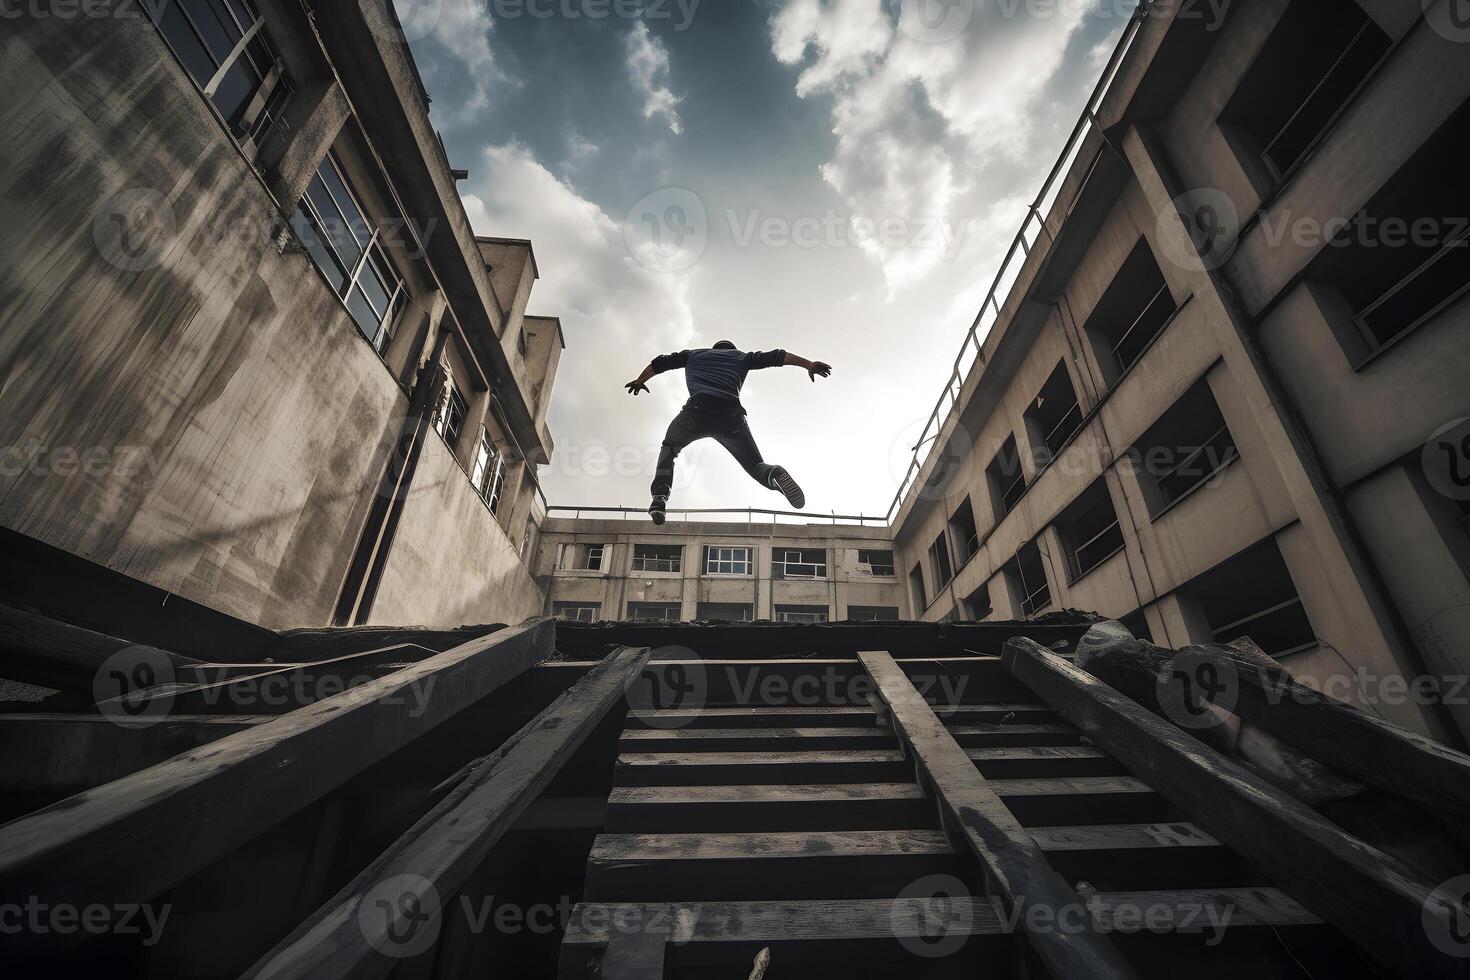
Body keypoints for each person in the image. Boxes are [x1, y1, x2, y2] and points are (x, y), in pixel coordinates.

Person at [625, 341, 832, 524]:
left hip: (696, 412)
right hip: (731, 416)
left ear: (714, 348)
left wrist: (640, 380)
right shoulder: (741, 357)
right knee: (755, 465)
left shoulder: (694, 355)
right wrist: (809, 364)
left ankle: (659, 499)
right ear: (731, 349)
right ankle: (772, 474)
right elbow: (777, 356)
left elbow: (660, 363)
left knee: (669, 448)